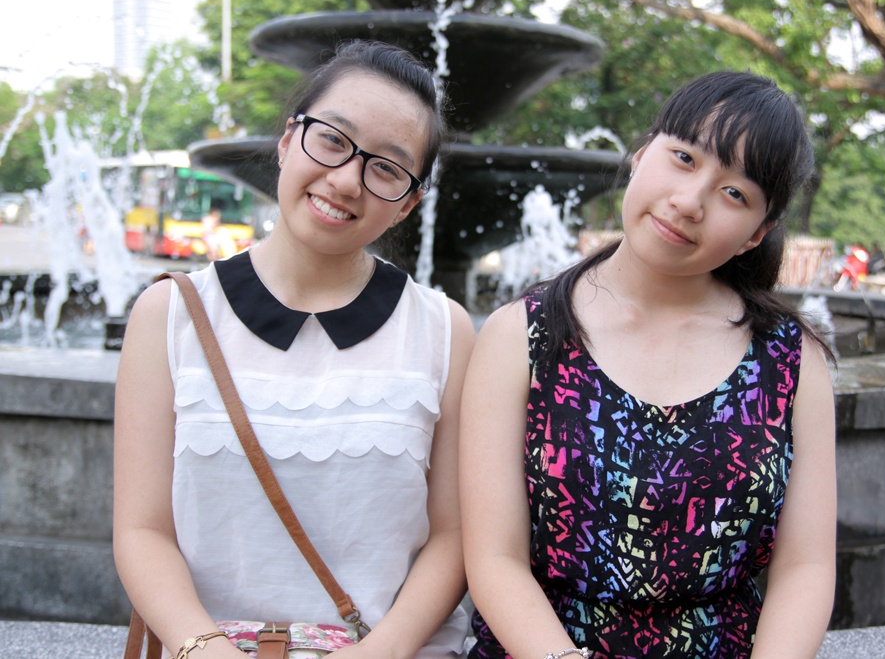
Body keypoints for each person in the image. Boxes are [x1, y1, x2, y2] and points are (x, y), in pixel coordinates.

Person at [114, 40, 475, 659]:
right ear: (288, 140)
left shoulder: (443, 331)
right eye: (332, 139)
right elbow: (142, 530)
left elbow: (455, 534)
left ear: (408, 204)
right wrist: (206, 649)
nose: (346, 180)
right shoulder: (169, 315)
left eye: (386, 169)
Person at [460, 71, 837, 659]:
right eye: (683, 158)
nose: (689, 202)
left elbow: (806, 566)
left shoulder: (791, 359)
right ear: (641, 156)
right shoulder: (521, 335)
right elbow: (494, 557)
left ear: (756, 234)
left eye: (734, 194)